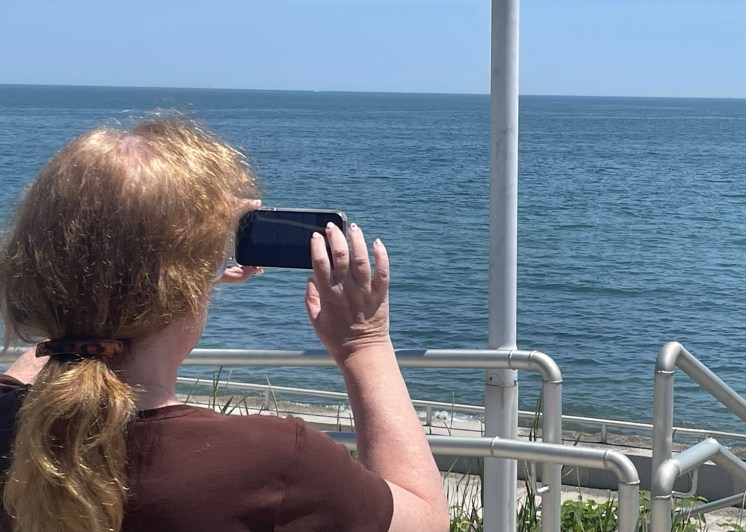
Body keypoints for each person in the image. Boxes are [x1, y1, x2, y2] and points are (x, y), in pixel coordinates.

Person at [0, 119, 448, 532]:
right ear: (187, 288)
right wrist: (363, 344)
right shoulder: (274, 462)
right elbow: (425, 518)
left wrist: (173, 274)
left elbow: (65, 343)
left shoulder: (10, 418)